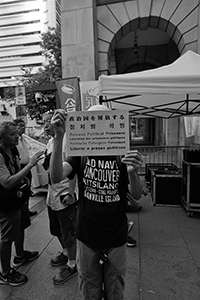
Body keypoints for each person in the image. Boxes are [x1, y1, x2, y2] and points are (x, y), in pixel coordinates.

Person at [50, 105, 143, 299]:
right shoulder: (80, 154)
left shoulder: (122, 155)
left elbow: (136, 194)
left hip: (115, 236)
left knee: (115, 291)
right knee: (90, 291)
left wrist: (133, 174)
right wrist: (58, 138)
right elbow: (56, 176)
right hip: (87, 235)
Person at [0, 121, 44, 286]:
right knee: (6, 237)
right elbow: (7, 182)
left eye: (16, 132)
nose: (17, 135)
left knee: (20, 225)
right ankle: (4, 273)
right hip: (5, 203)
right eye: (12, 134)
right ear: (1, 138)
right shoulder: (0, 155)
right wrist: (31, 165)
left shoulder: (13, 149)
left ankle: (20, 255)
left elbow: (17, 171)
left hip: (17, 198)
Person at [42, 112, 77, 285]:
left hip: (64, 195)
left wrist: (71, 193)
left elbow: (74, 170)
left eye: (48, 122)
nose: (46, 126)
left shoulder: (69, 141)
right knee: (56, 230)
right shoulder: (51, 141)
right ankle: (65, 253)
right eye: (44, 123)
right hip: (52, 195)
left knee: (68, 232)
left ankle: (72, 264)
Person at [13, 118, 37, 216]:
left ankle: (26, 210)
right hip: (20, 168)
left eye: (24, 126)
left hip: (27, 167)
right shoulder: (14, 141)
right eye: (20, 126)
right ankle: (22, 211)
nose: (23, 128)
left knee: (27, 189)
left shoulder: (23, 138)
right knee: (21, 190)